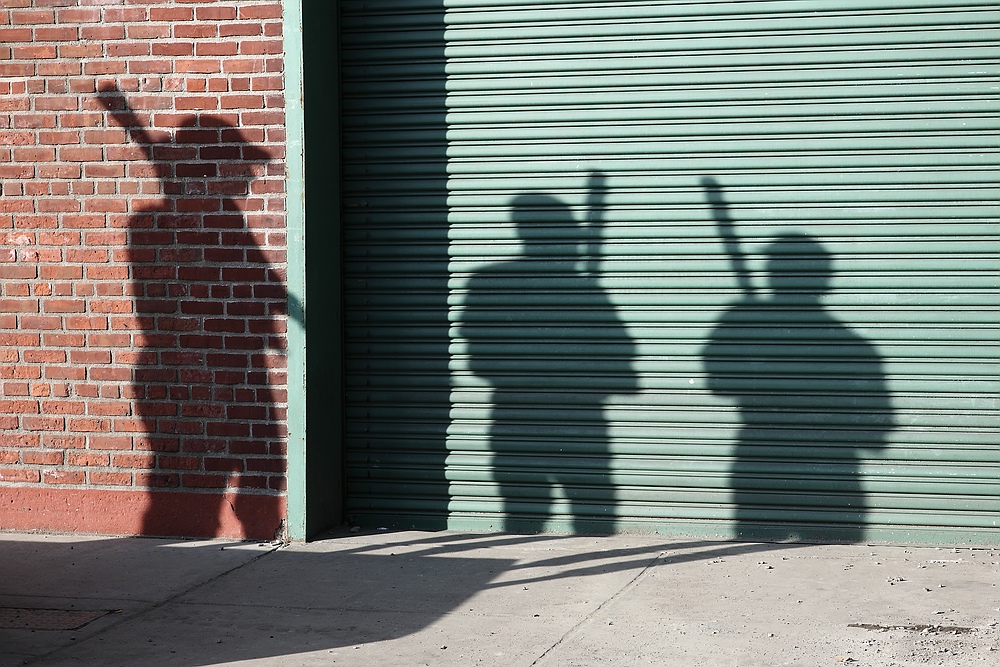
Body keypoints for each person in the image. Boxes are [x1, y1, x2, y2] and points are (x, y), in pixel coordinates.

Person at [98, 86, 285, 538]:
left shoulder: (222, 217)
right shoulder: (162, 222)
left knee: (260, 462)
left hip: (238, 362)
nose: (247, 173)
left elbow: (267, 284)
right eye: (241, 161)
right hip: (194, 361)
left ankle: (243, 530)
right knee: (223, 466)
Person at [461, 186, 637, 532]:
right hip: (529, 415)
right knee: (529, 510)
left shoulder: (585, 291)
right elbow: (477, 357)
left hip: (569, 418)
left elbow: (624, 360)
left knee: (590, 510)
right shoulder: (490, 282)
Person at [704, 231, 893, 541]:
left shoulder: (741, 321)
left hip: (765, 459)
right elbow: (877, 434)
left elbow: (718, 383)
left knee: (751, 559)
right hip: (827, 470)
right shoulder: (853, 344)